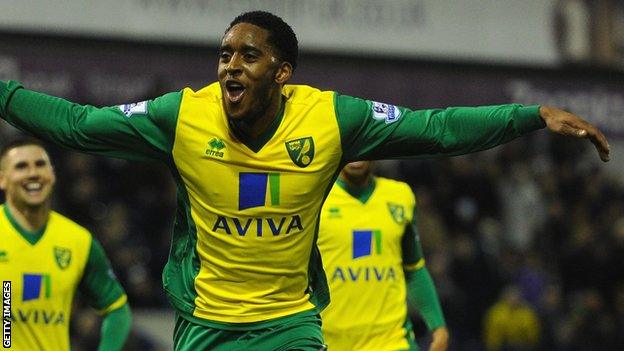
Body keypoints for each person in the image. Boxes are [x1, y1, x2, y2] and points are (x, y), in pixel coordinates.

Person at [0, 10, 610, 351]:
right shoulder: (183, 115)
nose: (230, 66)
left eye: (248, 55)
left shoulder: (331, 119)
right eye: (224, 55)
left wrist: (529, 114)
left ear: (282, 72)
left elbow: (436, 128)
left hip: (290, 323)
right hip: (205, 325)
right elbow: (79, 125)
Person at [0, 137, 131, 351]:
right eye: (21, 166)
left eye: (40, 164)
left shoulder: (78, 240)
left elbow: (117, 309)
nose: (33, 173)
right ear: (3, 180)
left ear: (52, 174)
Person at [317, 161, 448, 351]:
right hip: (333, 342)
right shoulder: (316, 197)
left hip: (394, 341)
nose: (359, 156)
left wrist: (438, 326)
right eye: (355, 143)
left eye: (365, 143)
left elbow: (414, 268)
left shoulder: (400, 196)